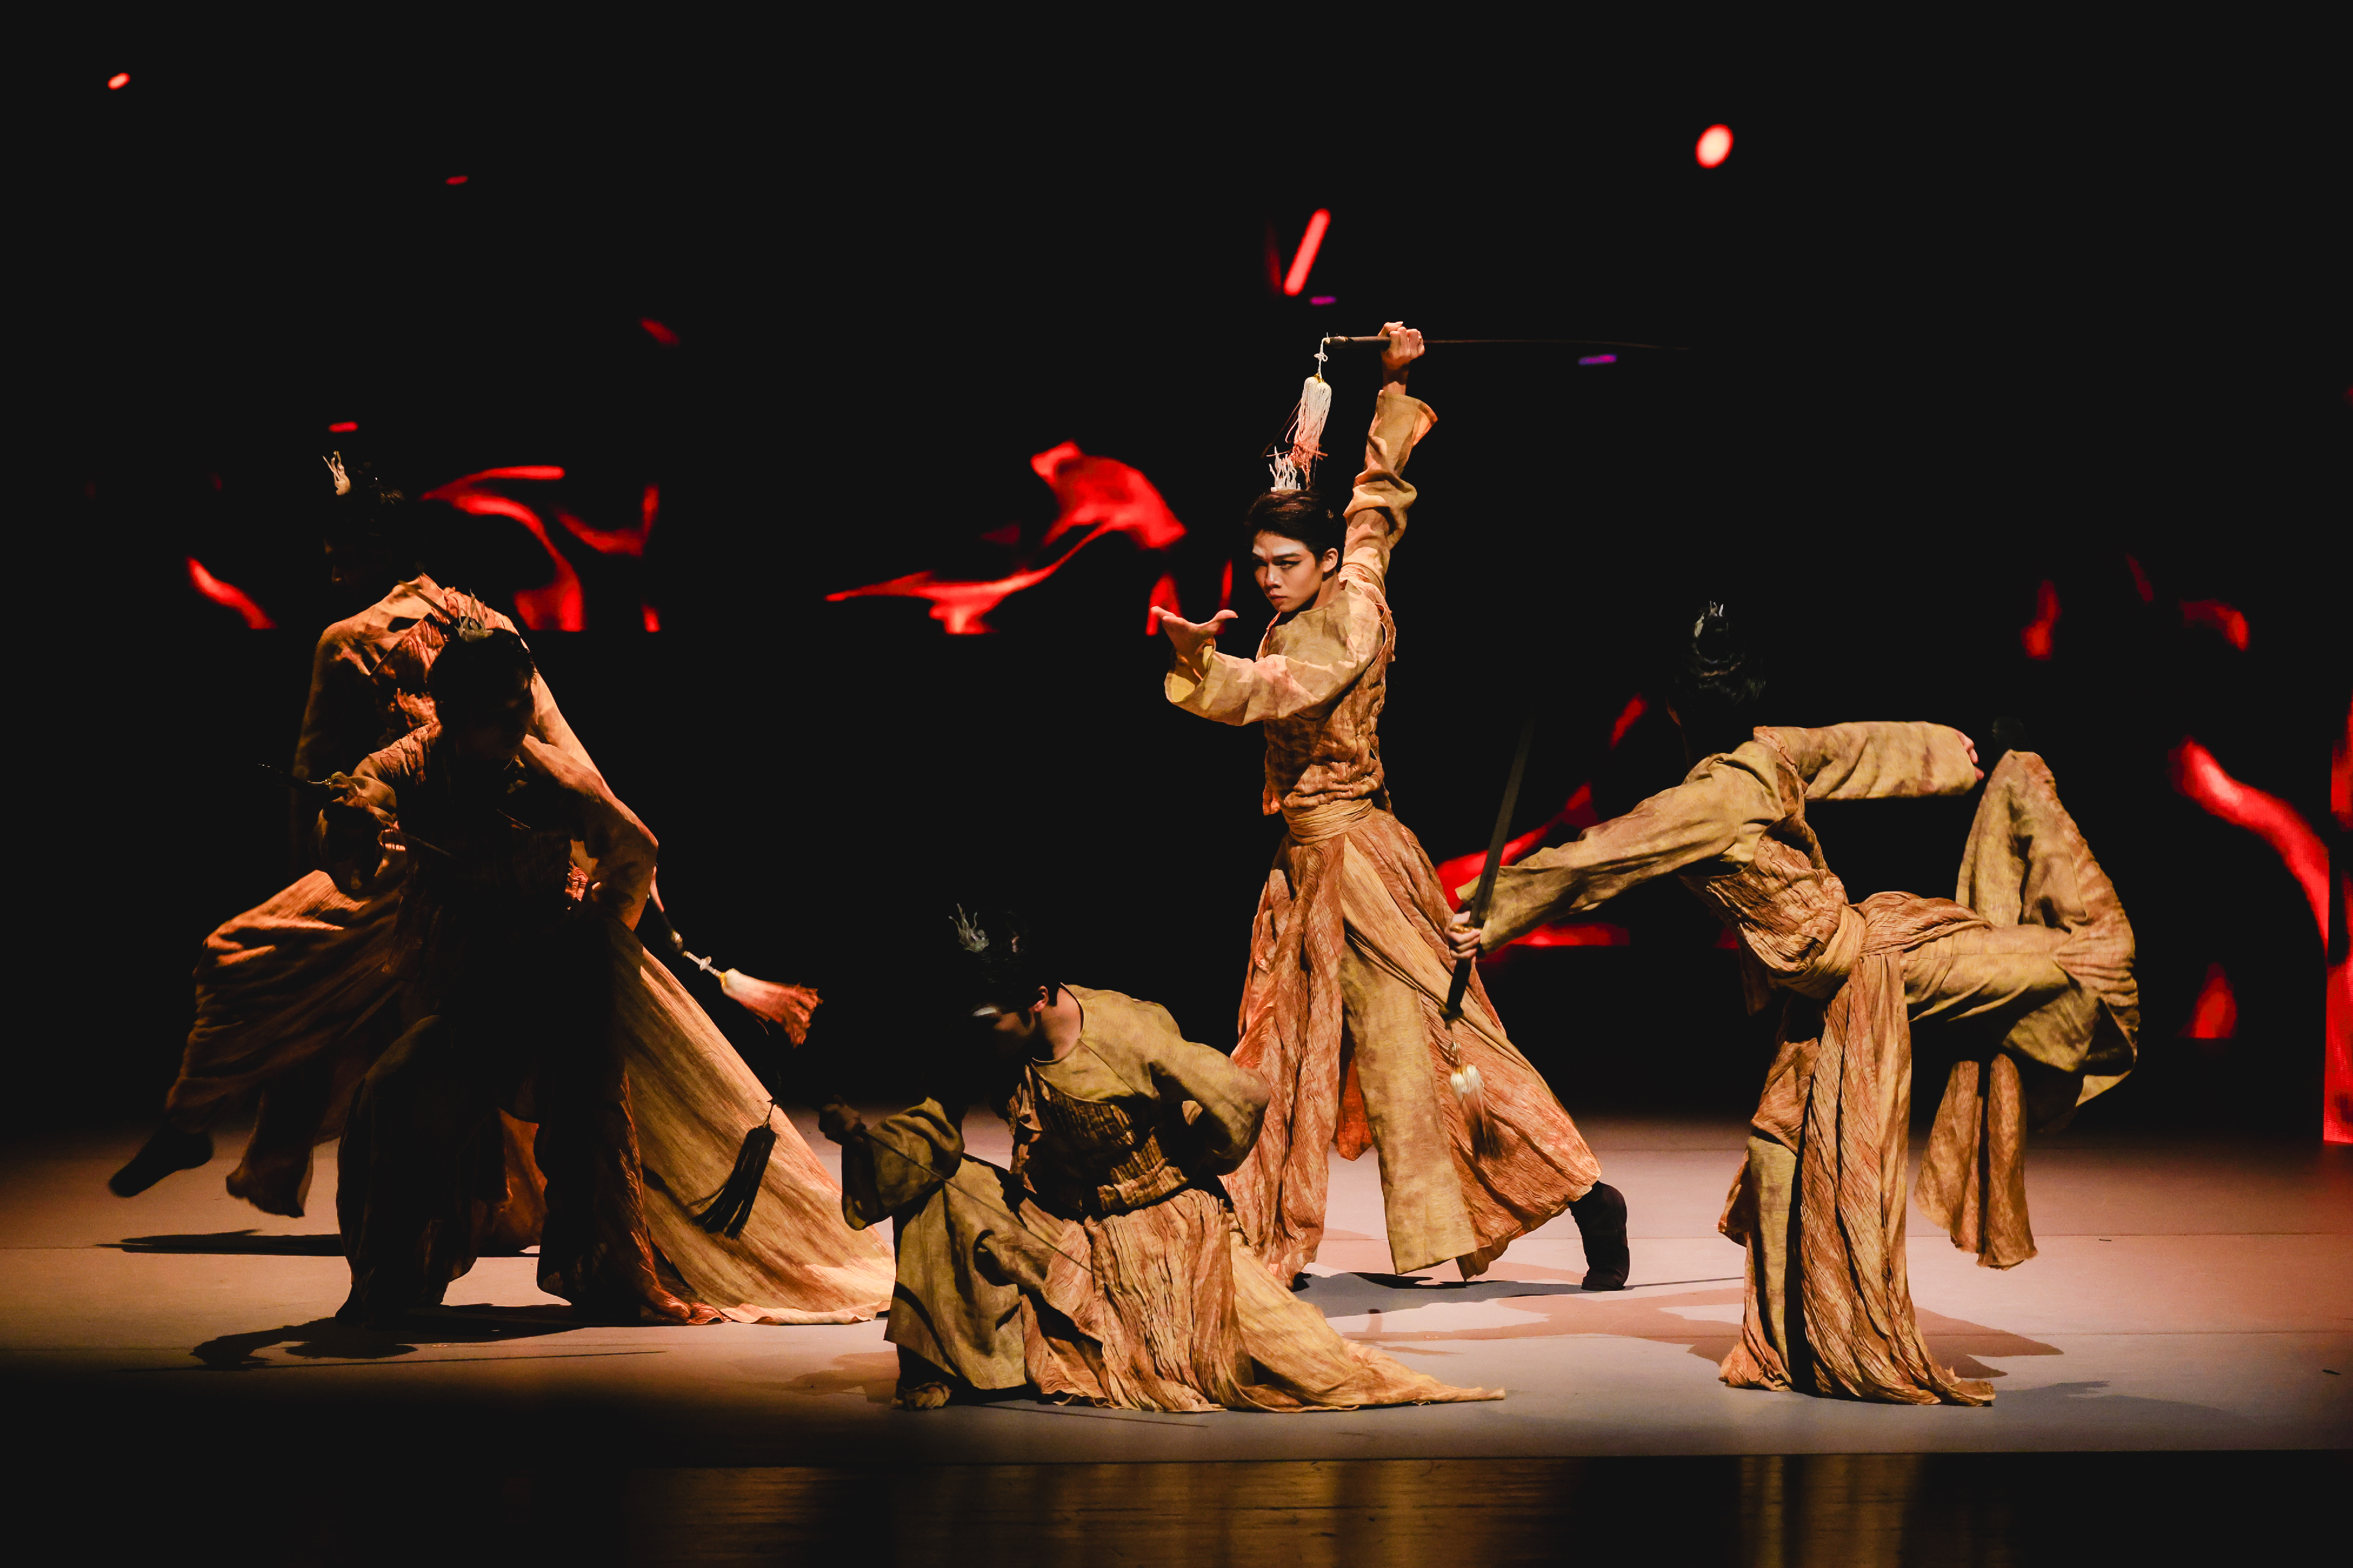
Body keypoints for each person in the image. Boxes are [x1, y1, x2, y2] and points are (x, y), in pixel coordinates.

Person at [117, 456, 893, 1323]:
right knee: (403, 1072)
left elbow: (581, 787)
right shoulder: (478, 636)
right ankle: (396, 1259)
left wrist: (614, 924)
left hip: (470, 889)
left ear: (381, 542)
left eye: (342, 543)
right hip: (422, 869)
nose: (330, 559)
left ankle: (200, 1122)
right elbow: (376, 784)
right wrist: (358, 826)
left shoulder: (364, 641)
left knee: (245, 959)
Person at [1448, 605, 2138, 1404]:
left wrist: (1487, 911)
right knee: (1778, 1144)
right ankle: (1784, 1343)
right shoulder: (1757, 760)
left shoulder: (1714, 795)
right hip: (1836, 984)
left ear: (1674, 709)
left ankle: (2024, 775)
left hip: (1871, 962)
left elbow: (1596, 857)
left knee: (2093, 955)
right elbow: (1843, 749)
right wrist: (1948, 749)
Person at [1151, 324, 1629, 1290]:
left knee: (1444, 1037)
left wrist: (1200, 662)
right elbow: (1376, 503)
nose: (1269, 578)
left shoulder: (1343, 626)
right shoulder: (1349, 572)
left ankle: (1587, 1193)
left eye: (1287, 563)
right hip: (1304, 863)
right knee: (1273, 1043)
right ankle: (1264, 1229)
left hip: (1359, 864)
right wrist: (1395, 384)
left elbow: (1271, 690)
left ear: (1322, 562)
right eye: (1260, 563)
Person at [822, 909, 1499, 1412]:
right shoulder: (988, 1041)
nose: (974, 1031)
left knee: (1277, 1362)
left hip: (1160, 1227)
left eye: (986, 1016)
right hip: (1054, 1218)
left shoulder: (1126, 1033)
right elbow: (937, 1127)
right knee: (940, 1187)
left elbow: (1241, 1094)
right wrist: (863, 1142)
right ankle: (948, 1363)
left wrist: (1188, 1169)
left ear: (1036, 998)